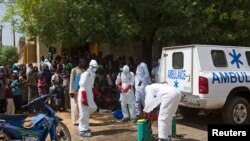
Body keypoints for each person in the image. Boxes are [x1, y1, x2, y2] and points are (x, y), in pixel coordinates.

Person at [78, 59, 99, 137]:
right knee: (84, 113)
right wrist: (84, 98)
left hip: (89, 93)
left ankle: (84, 126)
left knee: (93, 108)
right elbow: (82, 86)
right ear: (91, 67)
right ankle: (83, 130)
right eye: (95, 67)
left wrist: (97, 93)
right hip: (84, 93)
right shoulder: (85, 74)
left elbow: (92, 86)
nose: (96, 69)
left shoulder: (93, 74)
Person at [69, 58, 86, 125]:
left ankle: (80, 119)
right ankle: (75, 120)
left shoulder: (84, 70)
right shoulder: (74, 70)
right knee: (75, 106)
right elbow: (71, 81)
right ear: (80, 62)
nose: (84, 64)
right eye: (83, 63)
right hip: (75, 90)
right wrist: (71, 91)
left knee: (80, 106)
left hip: (81, 90)